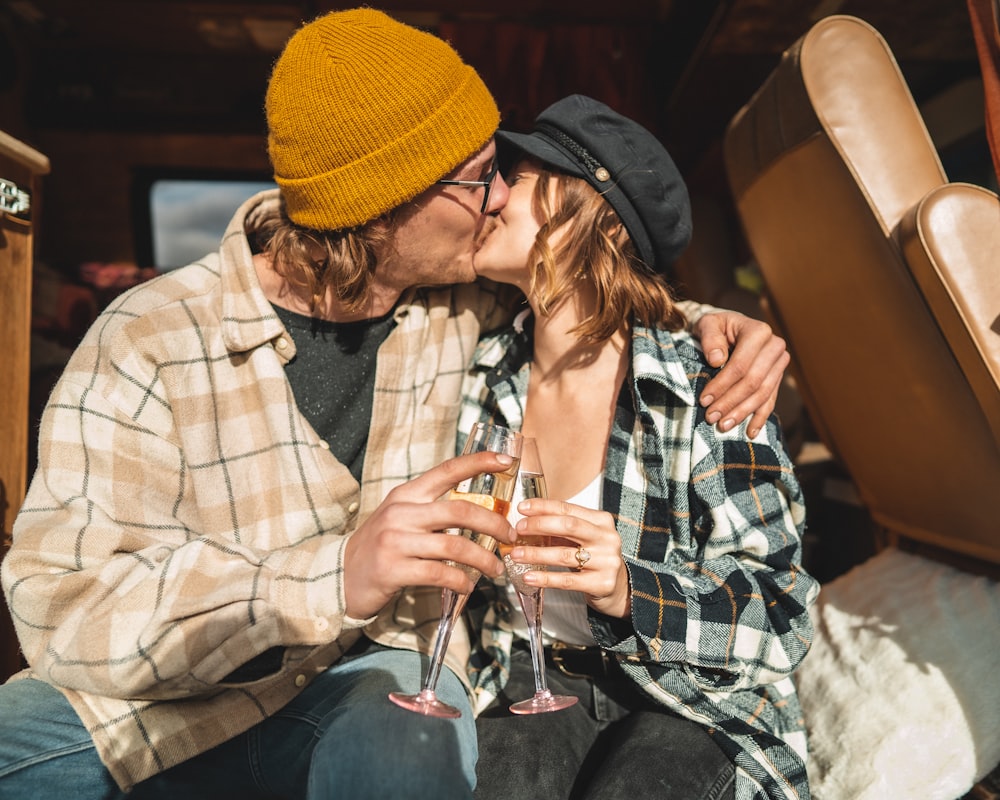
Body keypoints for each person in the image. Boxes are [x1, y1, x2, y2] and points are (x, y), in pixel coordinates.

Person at [0, 10, 790, 800]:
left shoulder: (458, 305)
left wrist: (713, 326)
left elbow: (593, 291)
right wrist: (329, 579)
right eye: (479, 176)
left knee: (407, 755)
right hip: (173, 699)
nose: (495, 197)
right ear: (381, 208)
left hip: (386, 675)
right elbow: (61, 604)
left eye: (504, 175)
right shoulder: (152, 337)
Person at [460, 95, 819, 800]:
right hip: (535, 677)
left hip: (693, 699)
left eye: (517, 174)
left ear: (578, 206)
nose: (492, 193)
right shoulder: (480, 374)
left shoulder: (708, 384)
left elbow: (781, 616)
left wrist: (632, 592)